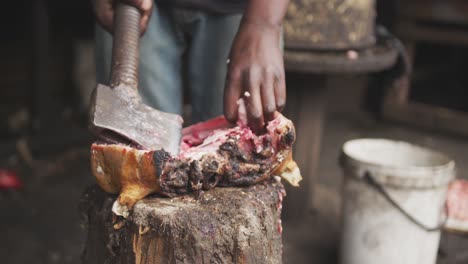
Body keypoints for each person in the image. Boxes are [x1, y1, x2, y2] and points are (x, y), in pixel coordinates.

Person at [92, 0, 289, 133]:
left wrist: (264, 22)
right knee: (134, 147)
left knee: (236, 152)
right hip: (136, 9)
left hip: (244, 10)